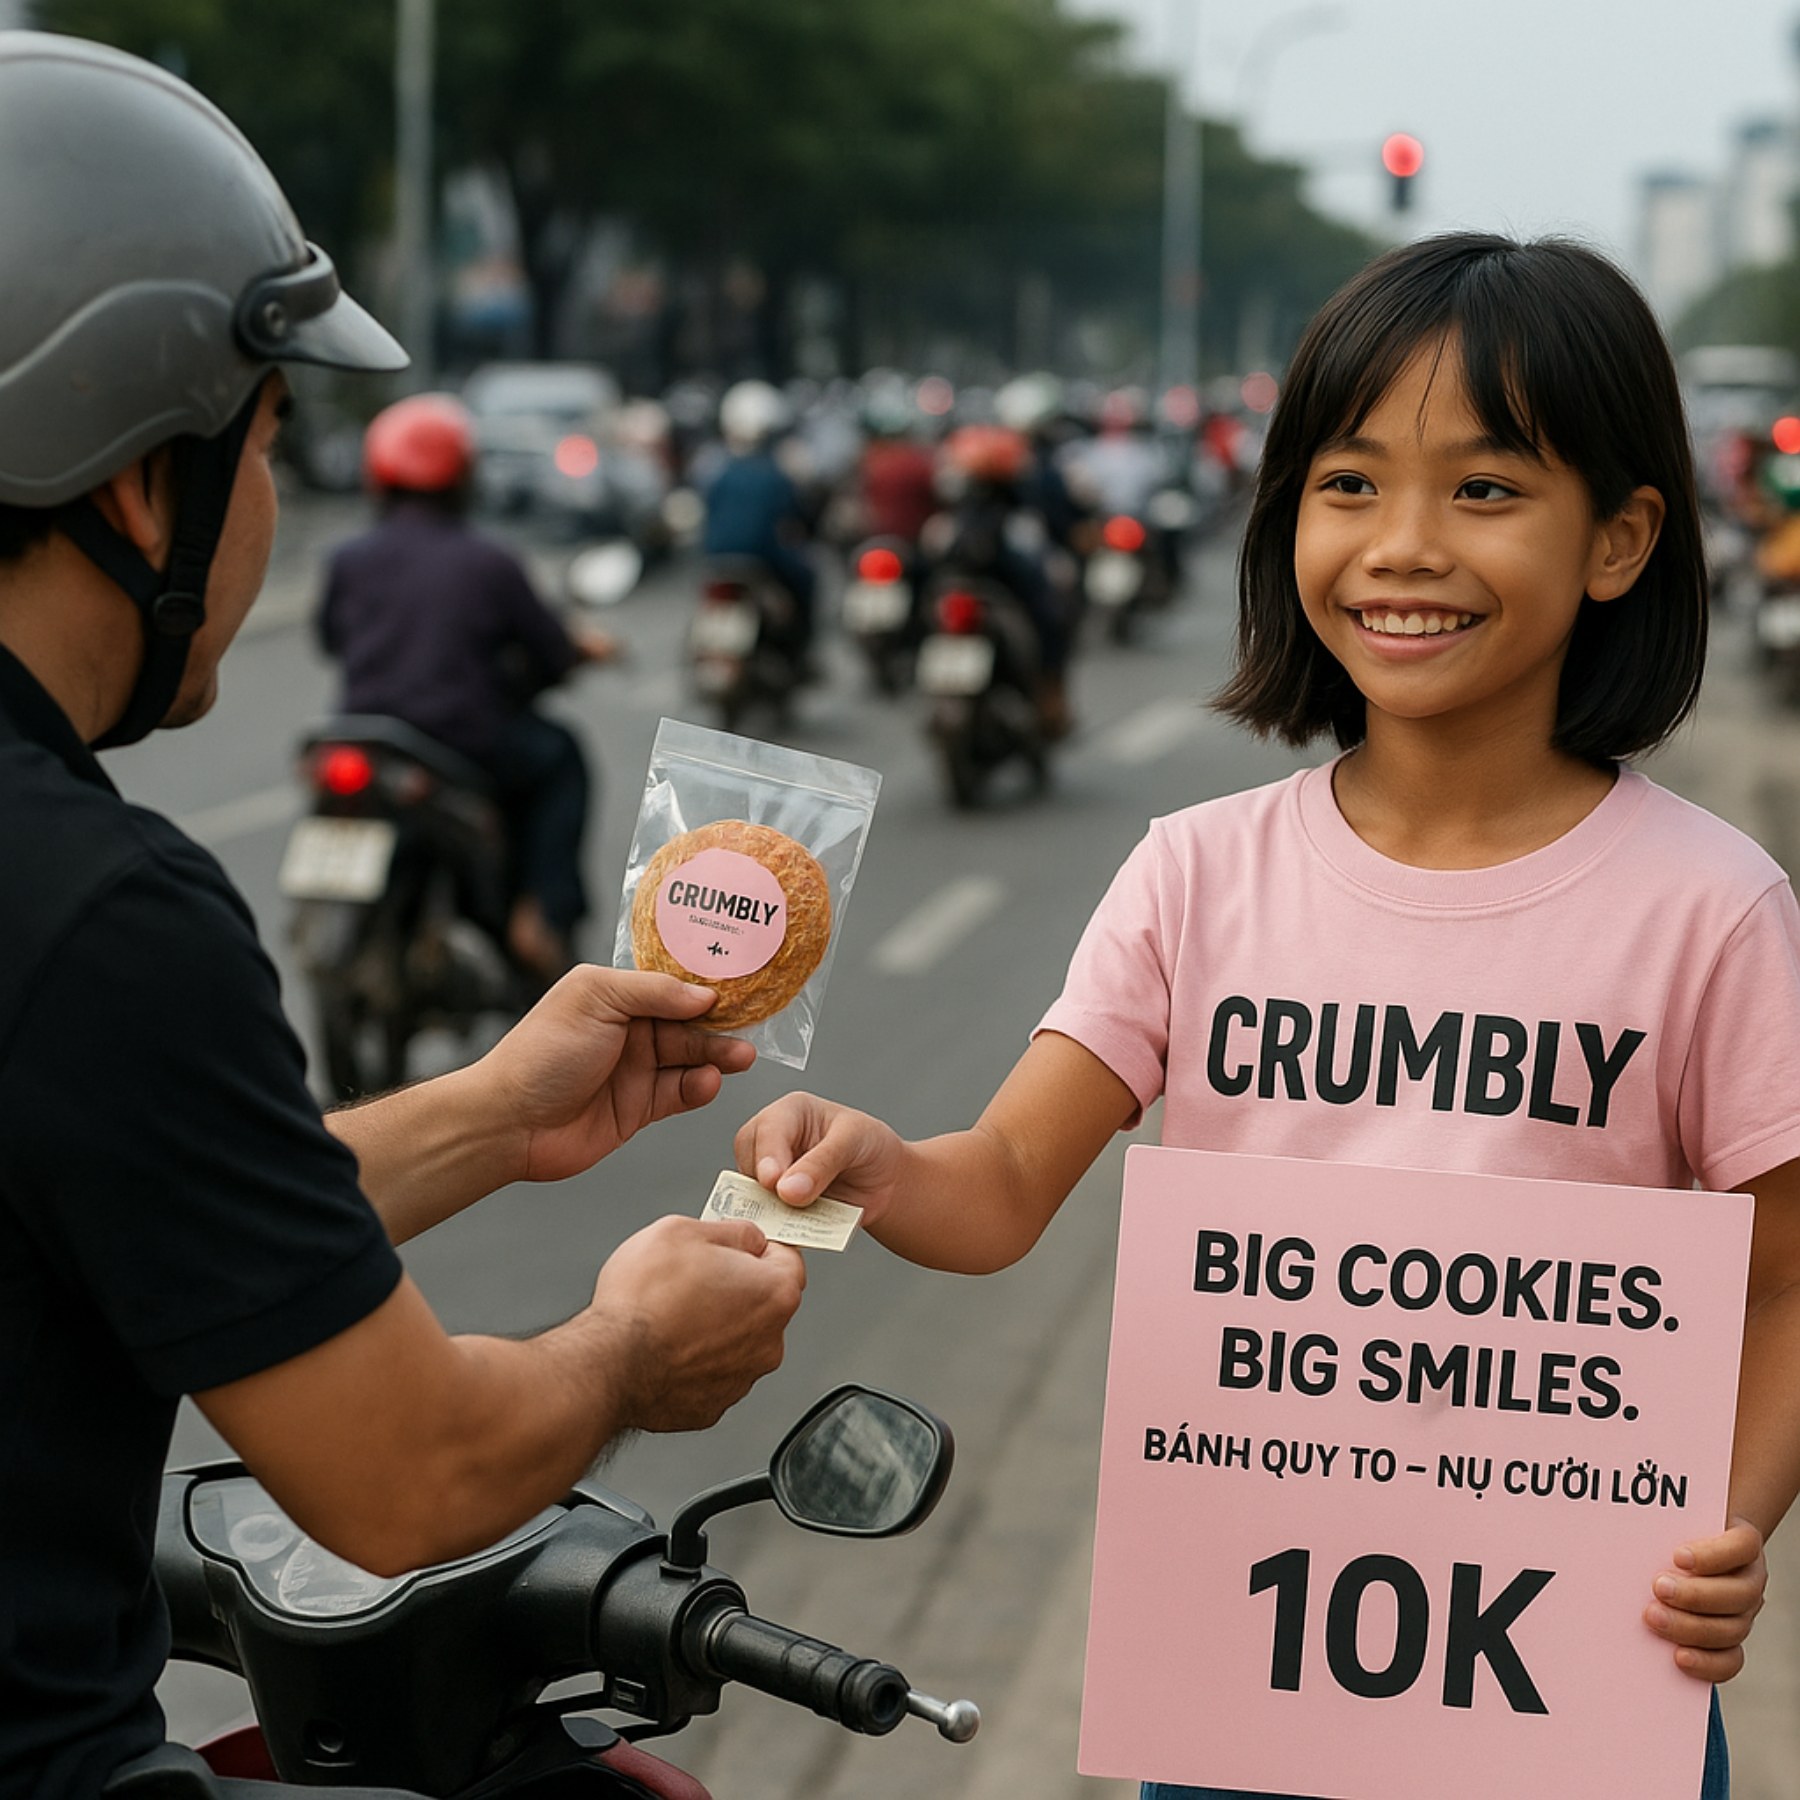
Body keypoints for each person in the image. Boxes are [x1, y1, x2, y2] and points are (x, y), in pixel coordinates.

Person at [736, 234, 1800, 1800]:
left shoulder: (1711, 907)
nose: (1405, 547)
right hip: (1247, 1684)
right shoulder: (1196, 873)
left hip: (1577, 1692)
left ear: (1621, 540)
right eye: (1350, 483)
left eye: (1485, 489)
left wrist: (1728, 1523)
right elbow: (1004, 1185)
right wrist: (873, 1165)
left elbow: (1783, 1285)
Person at [0, 35, 805, 1800]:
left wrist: (499, 1116)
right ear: (138, 481)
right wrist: (632, 1350)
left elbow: (142, 1202)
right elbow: (411, 1474)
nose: (276, 503)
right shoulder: (94, 910)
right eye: (269, 442)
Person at [318, 393, 617, 979]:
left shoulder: (347, 559)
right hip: (460, 745)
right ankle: (541, 915)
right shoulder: (489, 561)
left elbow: (331, 638)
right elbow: (551, 653)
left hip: (361, 740)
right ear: (462, 478)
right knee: (561, 755)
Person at [701, 378, 819, 656]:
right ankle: (801, 651)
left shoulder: (718, 471)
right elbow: (794, 516)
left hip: (716, 559)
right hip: (763, 557)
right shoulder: (775, 474)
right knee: (807, 579)